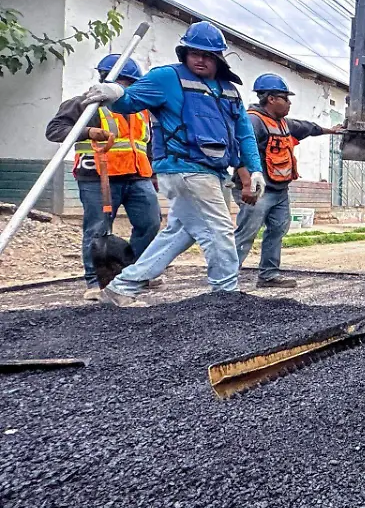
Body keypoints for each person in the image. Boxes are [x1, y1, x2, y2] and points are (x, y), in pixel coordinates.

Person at [82, 21, 265, 306]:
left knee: (178, 233)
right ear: (185, 53)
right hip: (185, 170)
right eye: (194, 53)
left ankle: (122, 287)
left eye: (207, 55)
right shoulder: (167, 77)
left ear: (219, 57)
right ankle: (226, 296)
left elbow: (243, 133)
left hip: (212, 172)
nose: (200, 59)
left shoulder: (228, 90)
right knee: (219, 231)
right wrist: (115, 93)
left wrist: (254, 170)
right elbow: (131, 101)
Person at [45, 54, 162, 301]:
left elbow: (146, 142)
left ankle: (134, 272)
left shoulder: (139, 109)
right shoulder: (84, 104)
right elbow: (54, 131)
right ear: (106, 78)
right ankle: (95, 281)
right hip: (98, 176)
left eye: (132, 82)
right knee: (97, 229)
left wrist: (153, 173)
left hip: (137, 176)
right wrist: (88, 131)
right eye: (125, 81)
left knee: (150, 223)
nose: (127, 86)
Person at [232, 73, 344, 288]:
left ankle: (268, 276)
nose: (289, 103)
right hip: (257, 190)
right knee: (246, 233)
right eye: (286, 98)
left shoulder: (282, 123)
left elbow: (307, 127)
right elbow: (238, 153)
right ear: (271, 98)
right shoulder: (253, 121)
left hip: (279, 190)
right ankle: (225, 280)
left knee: (277, 230)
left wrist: (331, 130)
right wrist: (247, 184)